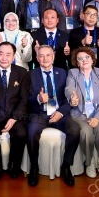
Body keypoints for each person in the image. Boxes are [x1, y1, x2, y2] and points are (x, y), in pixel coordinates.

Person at [25, 45, 79, 187]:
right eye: (41, 56)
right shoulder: (30, 75)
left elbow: (67, 99)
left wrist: (61, 112)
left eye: (48, 55)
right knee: (32, 131)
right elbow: (26, 99)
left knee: (75, 129)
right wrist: (38, 98)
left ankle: (66, 166)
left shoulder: (63, 73)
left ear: (53, 57)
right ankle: (34, 167)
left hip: (59, 112)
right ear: (37, 58)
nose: (45, 58)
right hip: (39, 113)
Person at [0, 42, 30, 180]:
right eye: (1, 54)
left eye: (8, 55)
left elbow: (24, 99)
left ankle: (15, 164)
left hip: (15, 114)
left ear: (14, 56)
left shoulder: (22, 73)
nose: (4, 58)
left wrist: (14, 118)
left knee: (21, 133)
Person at [65, 47, 99, 180]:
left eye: (87, 57)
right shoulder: (73, 73)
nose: (84, 60)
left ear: (92, 59)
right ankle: (89, 161)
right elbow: (69, 88)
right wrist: (72, 98)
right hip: (80, 114)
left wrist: (97, 118)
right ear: (77, 62)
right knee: (86, 134)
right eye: (80, 59)